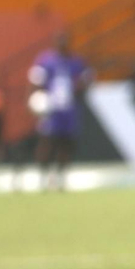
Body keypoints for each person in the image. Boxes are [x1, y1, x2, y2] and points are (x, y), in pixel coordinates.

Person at [28, 36, 91, 191]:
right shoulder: (46, 61)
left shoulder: (76, 62)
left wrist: (79, 87)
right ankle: (43, 177)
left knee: (67, 144)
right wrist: (35, 100)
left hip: (69, 109)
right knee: (47, 142)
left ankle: (61, 177)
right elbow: (35, 82)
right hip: (51, 109)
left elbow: (87, 79)